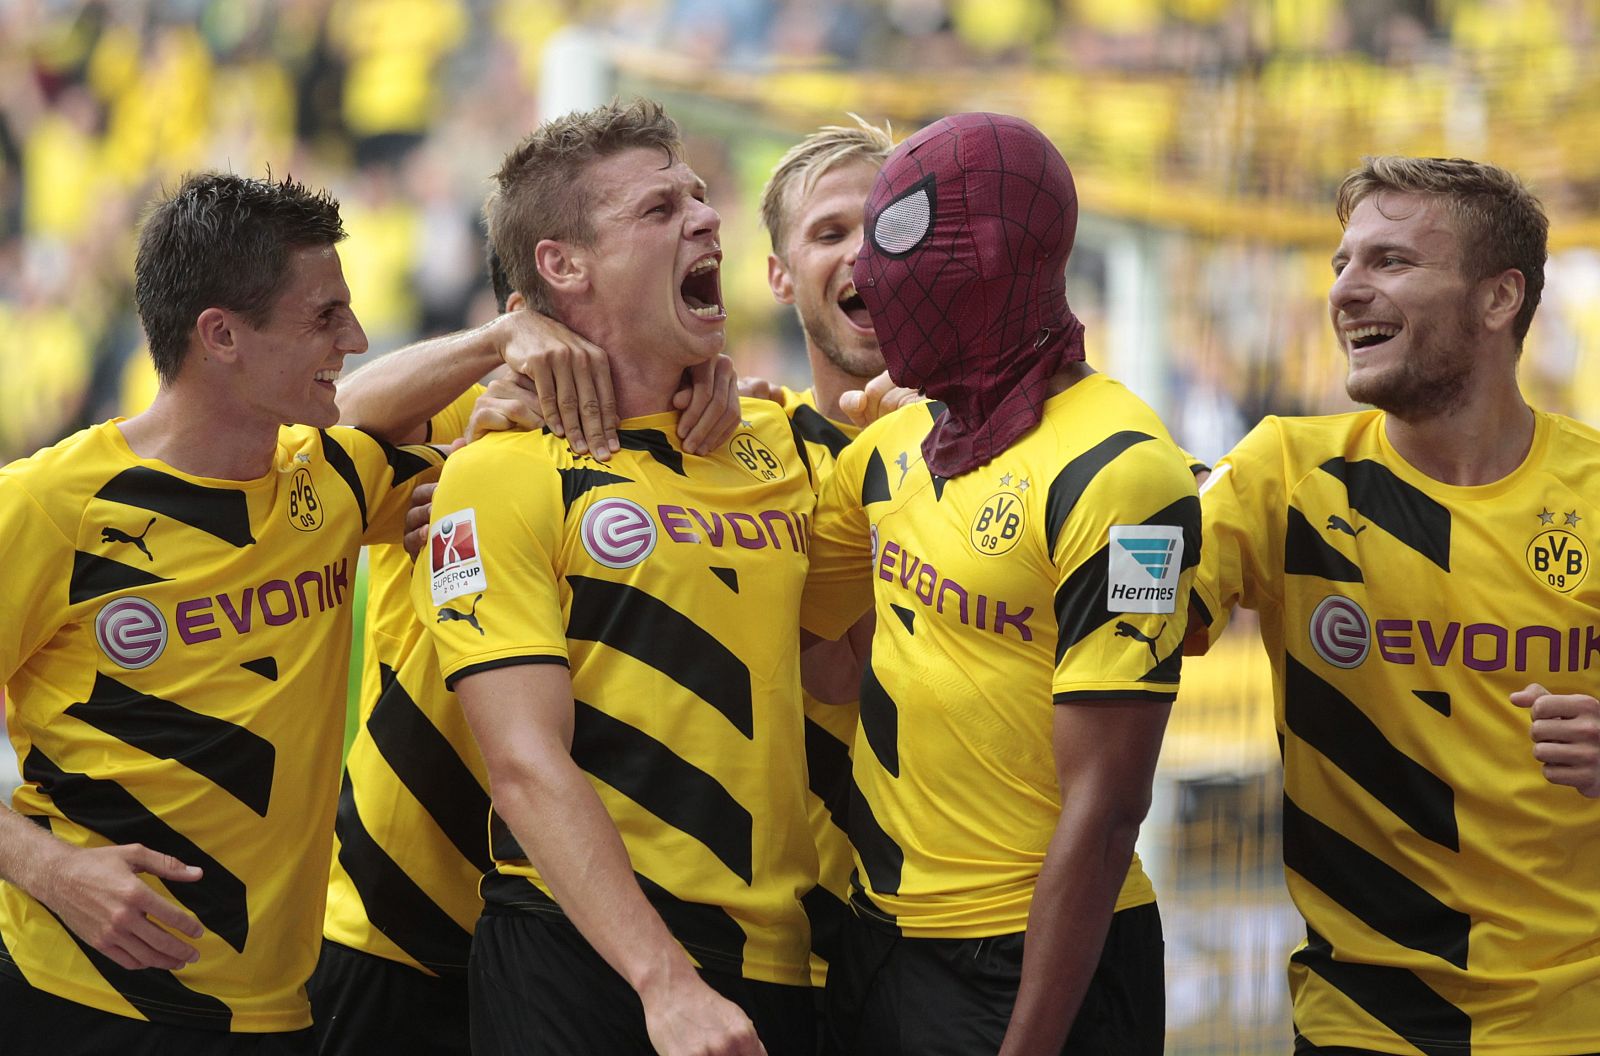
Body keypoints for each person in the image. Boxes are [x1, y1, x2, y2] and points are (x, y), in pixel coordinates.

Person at [0, 172, 444, 1053]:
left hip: (279, 1008)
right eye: (324, 317)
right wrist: (49, 869)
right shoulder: (50, 503)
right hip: (79, 994)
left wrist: (512, 347)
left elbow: (482, 447)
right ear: (221, 335)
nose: (354, 338)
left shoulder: (332, 481)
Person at [417, 99, 819, 1056]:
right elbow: (522, 763)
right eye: (657, 210)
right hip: (585, 958)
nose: (705, 217)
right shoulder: (496, 465)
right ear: (564, 265)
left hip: (784, 962)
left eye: (697, 196)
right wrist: (663, 983)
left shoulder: (781, 441)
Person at [1187, 156, 1600, 1055]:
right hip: (1361, 1026)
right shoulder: (1282, 475)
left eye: (1390, 262)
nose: (1346, 290)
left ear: (1499, 300)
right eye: (1342, 263)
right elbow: (1125, 618)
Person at [801, 113, 1195, 1055]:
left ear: (988, 262)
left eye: (895, 241)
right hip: (879, 939)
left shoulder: (1123, 475)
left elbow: (1108, 808)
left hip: (1040, 967)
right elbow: (797, 643)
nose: (871, 273)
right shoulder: (889, 449)